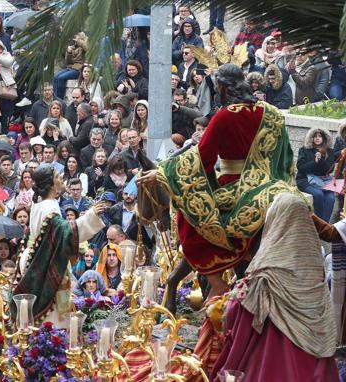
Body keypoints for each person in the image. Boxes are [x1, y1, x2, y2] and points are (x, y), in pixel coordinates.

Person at [137, 64, 298, 298]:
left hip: (234, 185)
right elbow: (286, 156)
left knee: (189, 221)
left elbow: (202, 158)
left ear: (222, 86)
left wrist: (162, 172)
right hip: (273, 185)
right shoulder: (271, 112)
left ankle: (217, 283)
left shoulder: (224, 116)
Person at [210, 193, 339, 381]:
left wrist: (225, 304)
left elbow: (237, 319)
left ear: (274, 222)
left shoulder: (265, 277)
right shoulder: (316, 274)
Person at [12, 166, 105, 327]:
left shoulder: (44, 203)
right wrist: (91, 215)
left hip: (42, 256)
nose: (61, 179)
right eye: (57, 177)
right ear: (51, 184)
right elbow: (64, 232)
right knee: (50, 312)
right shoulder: (49, 206)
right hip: (46, 260)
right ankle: (50, 340)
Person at [296, 128, 335, 223]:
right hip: (305, 180)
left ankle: (325, 226)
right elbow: (301, 168)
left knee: (331, 198)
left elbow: (329, 169)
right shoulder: (304, 150)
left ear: (324, 138)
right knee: (318, 194)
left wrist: (321, 160)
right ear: (311, 138)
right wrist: (314, 162)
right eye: (315, 136)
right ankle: (319, 224)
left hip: (323, 180)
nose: (317, 138)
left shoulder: (329, 151)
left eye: (320, 136)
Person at [53, 32, 88, 100]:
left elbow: (86, 48)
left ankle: (59, 99)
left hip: (78, 69)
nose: (75, 40)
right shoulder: (73, 47)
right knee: (55, 76)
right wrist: (69, 52)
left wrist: (79, 41)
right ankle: (54, 97)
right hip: (70, 68)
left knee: (61, 78)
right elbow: (68, 62)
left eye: (77, 38)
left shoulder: (84, 46)